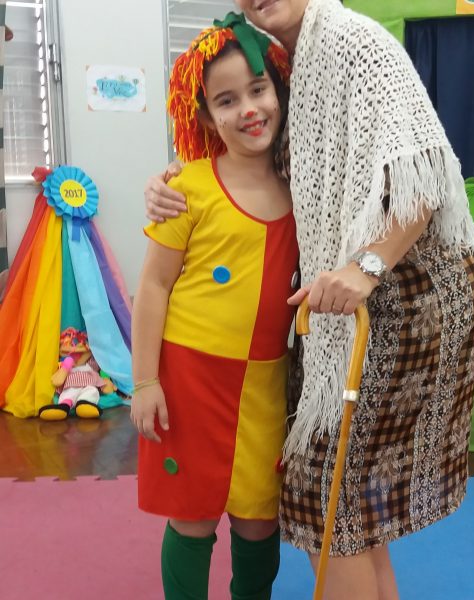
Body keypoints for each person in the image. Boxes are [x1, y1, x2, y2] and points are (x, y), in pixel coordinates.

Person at [145, 1, 474, 599]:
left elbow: (425, 173)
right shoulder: (287, 58)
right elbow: (264, 155)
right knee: (348, 504)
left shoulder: (351, 43)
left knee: (324, 501)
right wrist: (176, 176)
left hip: (399, 295)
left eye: (256, 92)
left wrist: (366, 266)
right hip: (348, 305)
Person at [131, 16, 298, 600]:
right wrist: (144, 381)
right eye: (226, 100)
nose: (248, 109)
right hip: (190, 377)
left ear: (279, 91)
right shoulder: (187, 188)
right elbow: (153, 286)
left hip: (265, 381)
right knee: (193, 514)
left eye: (258, 89)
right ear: (205, 116)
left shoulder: (301, 187)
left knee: (259, 516)